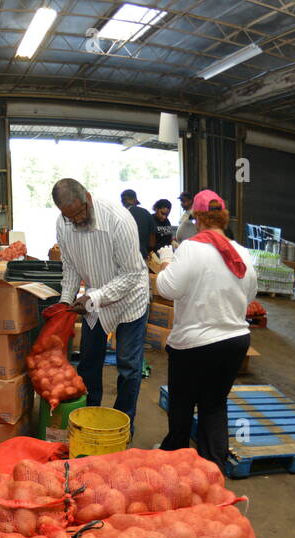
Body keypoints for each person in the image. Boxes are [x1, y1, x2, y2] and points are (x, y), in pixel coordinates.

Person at [154, 190, 257, 467]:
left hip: (194, 344)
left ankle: (176, 454)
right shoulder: (243, 253)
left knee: (182, 401)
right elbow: (248, 297)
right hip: (234, 340)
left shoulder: (190, 248)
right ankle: (213, 469)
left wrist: (166, 262)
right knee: (214, 404)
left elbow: (166, 288)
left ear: (198, 218)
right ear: (222, 219)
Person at [51, 178, 149, 436]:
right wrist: (65, 301)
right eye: (69, 216)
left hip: (130, 299)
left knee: (128, 366)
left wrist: (94, 298)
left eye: (79, 213)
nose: (76, 220)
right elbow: (70, 266)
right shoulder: (64, 223)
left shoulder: (118, 220)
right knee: (88, 363)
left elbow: (130, 274)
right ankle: (89, 415)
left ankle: (123, 425)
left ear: (88, 198)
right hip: (93, 299)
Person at [120, 189, 155, 261]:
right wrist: (149, 252)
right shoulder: (145, 212)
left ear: (123, 201)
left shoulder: (121, 214)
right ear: (135, 200)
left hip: (125, 255)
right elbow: (152, 237)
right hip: (143, 254)